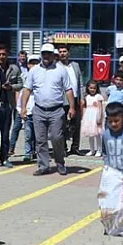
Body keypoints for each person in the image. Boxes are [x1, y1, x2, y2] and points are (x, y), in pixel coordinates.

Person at [21, 43, 75, 176]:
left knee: (57, 138)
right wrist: (23, 107)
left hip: (56, 110)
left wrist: (72, 107)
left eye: (48, 53)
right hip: (39, 110)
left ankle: (60, 163)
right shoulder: (34, 71)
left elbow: (68, 89)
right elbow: (27, 89)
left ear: (53, 55)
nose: (46, 56)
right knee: (40, 139)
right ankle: (44, 166)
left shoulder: (61, 70)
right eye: (44, 53)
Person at [57, 45, 83, 155]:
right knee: (62, 125)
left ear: (69, 53)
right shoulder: (56, 67)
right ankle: (63, 148)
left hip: (76, 99)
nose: (62, 53)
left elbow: (80, 83)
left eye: (64, 51)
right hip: (63, 100)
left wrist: (82, 98)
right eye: (60, 52)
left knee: (76, 124)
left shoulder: (75, 65)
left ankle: (75, 147)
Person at [16, 55, 39, 161]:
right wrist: (21, 110)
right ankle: (28, 152)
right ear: (28, 65)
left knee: (39, 135)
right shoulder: (25, 77)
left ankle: (38, 152)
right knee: (28, 135)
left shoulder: (42, 77)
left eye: (36, 63)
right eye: (31, 63)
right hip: (28, 112)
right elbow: (22, 95)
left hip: (39, 112)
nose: (34, 66)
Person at [81, 80, 104, 157]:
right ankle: (92, 150)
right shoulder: (86, 97)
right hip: (89, 117)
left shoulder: (98, 97)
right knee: (90, 134)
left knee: (97, 135)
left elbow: (100, 108)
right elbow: (85, 108)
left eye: (94, 88)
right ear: (87, 88)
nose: (92, 90)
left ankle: (99, 150)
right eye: (90, 88)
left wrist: (100, 117)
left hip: (96, 116)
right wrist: (84, 117)